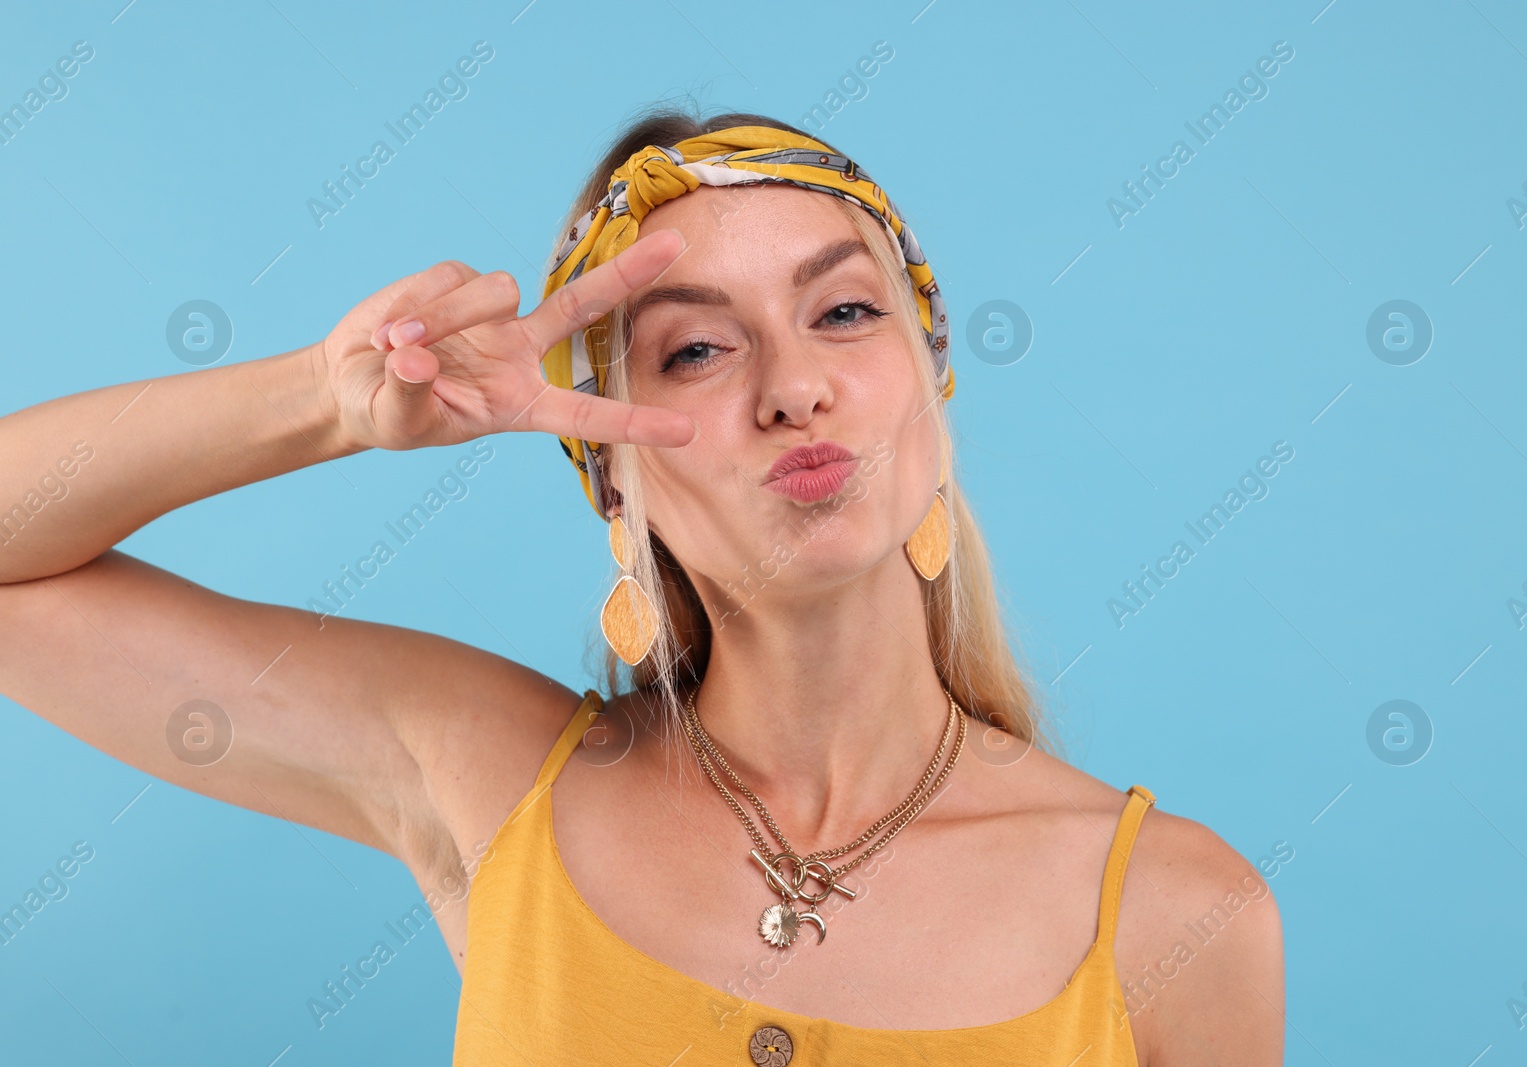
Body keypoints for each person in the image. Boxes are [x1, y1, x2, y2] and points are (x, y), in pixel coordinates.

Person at [0, 107, 1283, 1065]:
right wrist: (326, 402)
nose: (792, 385)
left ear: (934, 406)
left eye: (842, 313)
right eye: (698, 348)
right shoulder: (491, 774)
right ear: (614, 480)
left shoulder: (1179, 912)